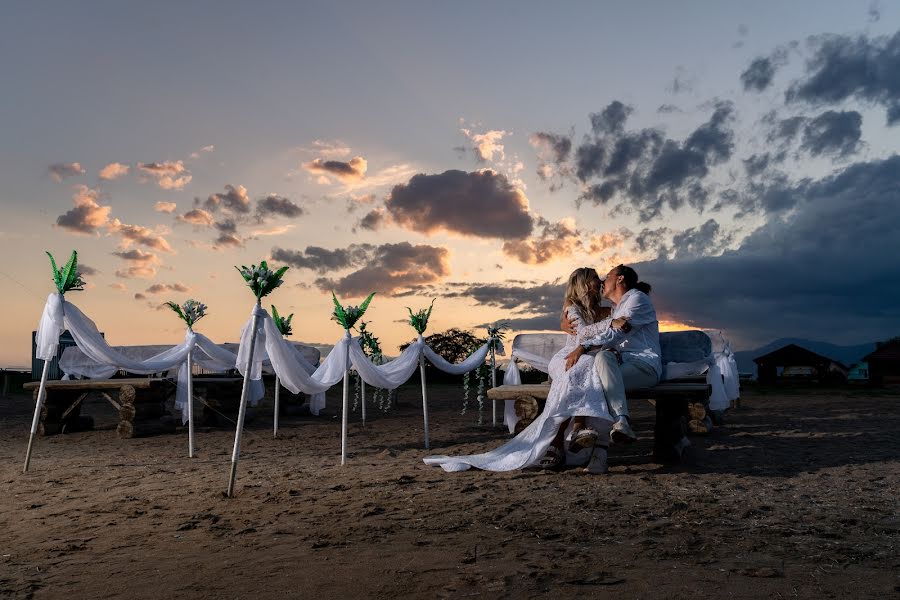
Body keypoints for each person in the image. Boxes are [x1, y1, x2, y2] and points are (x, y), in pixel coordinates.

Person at [424, 267, 627, 475]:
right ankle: (573, 430)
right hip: (567, 358)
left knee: (586, 366)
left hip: (583, 358)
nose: (600, 280)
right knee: (580, 367)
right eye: (595, 278)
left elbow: (617, 324)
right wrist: (610, 323)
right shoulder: (572, 306)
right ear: (584, 284)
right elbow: (584, 333)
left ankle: (564, 439)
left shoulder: (603, 309)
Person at [562, 264, 661, 445]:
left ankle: (606, 439)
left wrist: (583, 347)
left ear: (620, 279)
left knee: (596, 384)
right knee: (602, 360)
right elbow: (587, 324)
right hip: (620, 365)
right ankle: (607, 434)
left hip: (643, 366)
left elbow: (616, 334)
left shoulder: (637, 299)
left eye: (607, 276)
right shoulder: (616, 309)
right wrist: (565, 324)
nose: (602, 281)